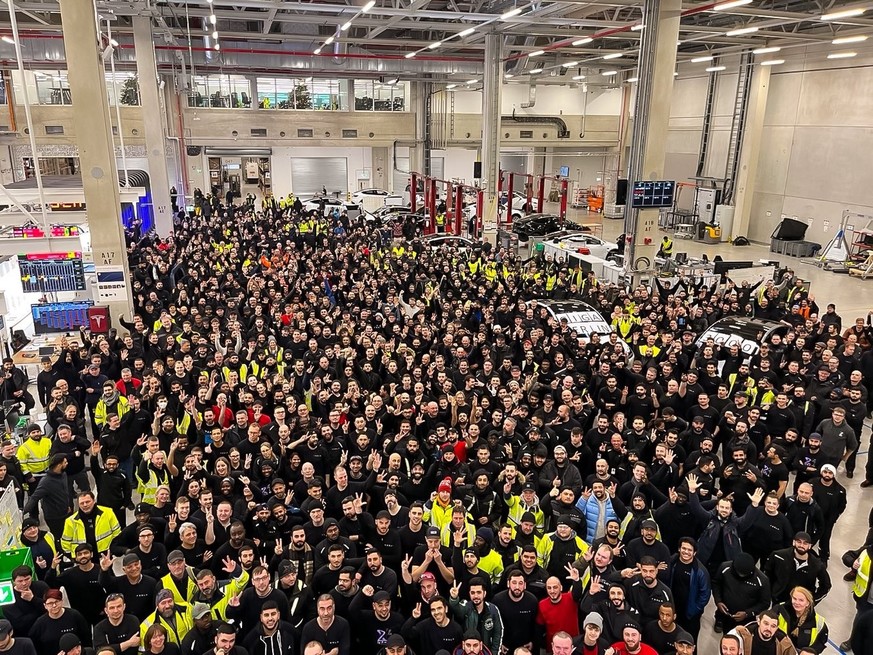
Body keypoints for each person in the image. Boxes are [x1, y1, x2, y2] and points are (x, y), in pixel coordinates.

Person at [28, 588, 92, 654]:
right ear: (45, 605)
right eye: (50, 603)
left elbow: (86, 638)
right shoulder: (40, 623)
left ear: (62, 601)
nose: (54, 605)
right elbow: (34, 645)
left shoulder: (74, 616)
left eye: (57, 601)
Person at [774, 587, 828, 654]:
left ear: (808, 603)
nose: (797, 602)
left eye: (801, 600)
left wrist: (810, 651)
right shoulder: (779, 610)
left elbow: (820, 644)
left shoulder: (819, 623)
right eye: (794, 599)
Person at [728, 609, 798, 655]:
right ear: (758, 622)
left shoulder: (784, 642)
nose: (769, 628)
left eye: (773, 626)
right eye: (766, 624)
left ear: (777, 628)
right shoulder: (741, 634)